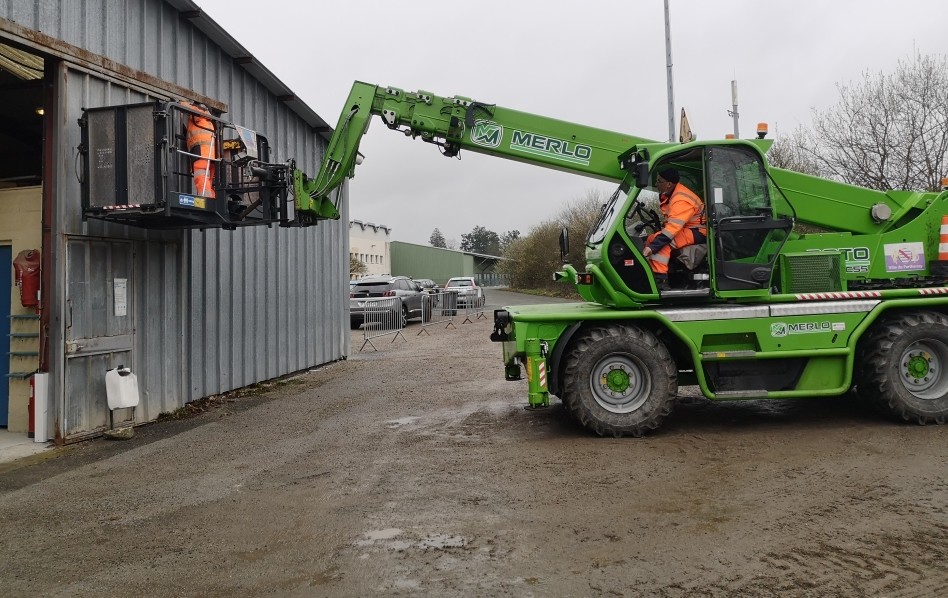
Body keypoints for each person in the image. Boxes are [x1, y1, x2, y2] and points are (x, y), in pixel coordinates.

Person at [641, 168, 706, 290]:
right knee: (651, 238)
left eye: (659, 181)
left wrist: (653, 247)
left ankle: (661, 282)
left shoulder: (680, 200)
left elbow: (672, 229)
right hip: (688, 229)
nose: (656, 184)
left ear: (669, 184)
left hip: (698, 231)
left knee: (661, 244)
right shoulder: (672, 194)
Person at [181, 101, 216, 198]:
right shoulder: (208, 122)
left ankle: (206, 200)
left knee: (200, 177)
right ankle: (212, 199)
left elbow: (191, 108)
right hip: (212, 155)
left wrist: (181, 103)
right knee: (208, 181)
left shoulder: (199, 116)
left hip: (201, 152)